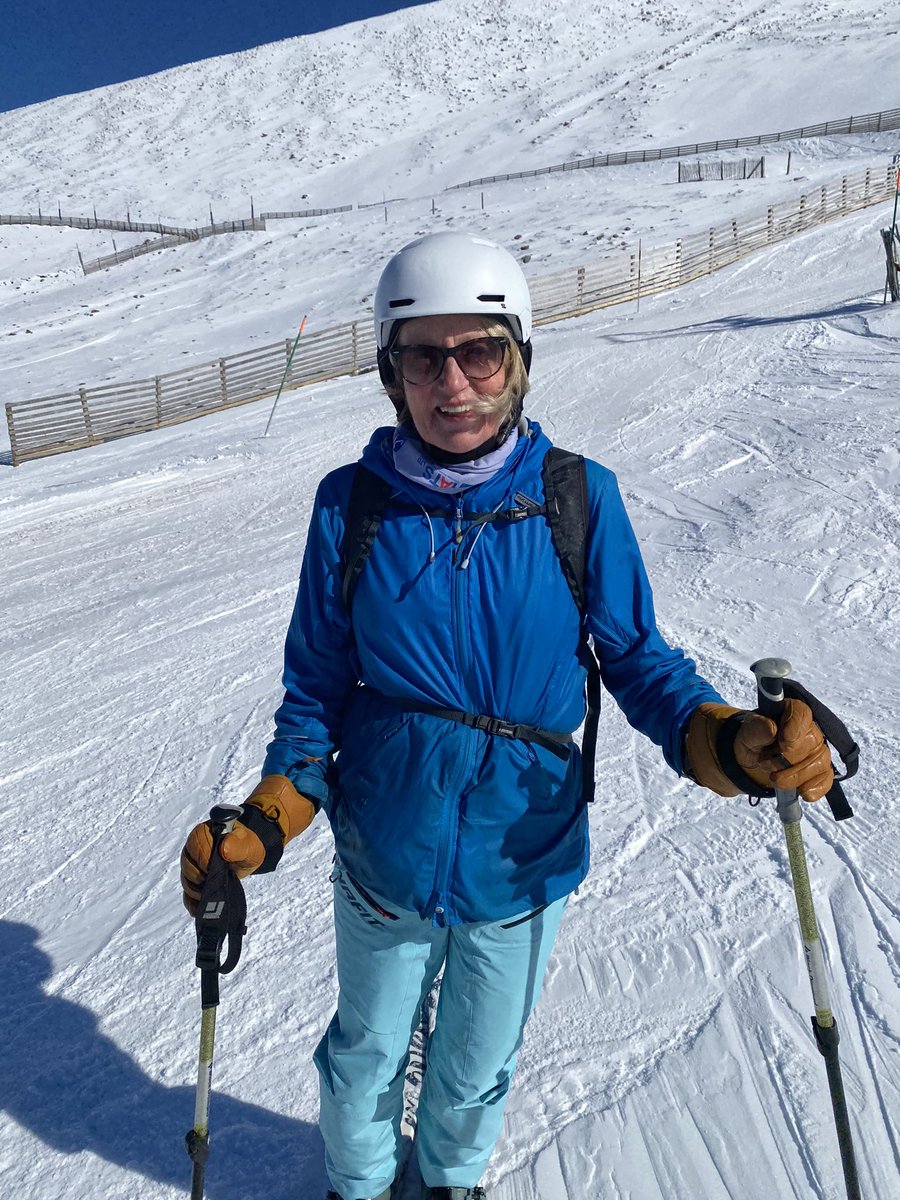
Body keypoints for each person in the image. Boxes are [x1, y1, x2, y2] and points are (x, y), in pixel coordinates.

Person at [180, 231, 834, 1200]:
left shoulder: (578, 499)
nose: (452, 382)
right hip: (385, 859)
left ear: (518, 359)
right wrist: (266, 820)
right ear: (390, 373)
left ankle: (449, 1185)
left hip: (523, 861)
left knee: (472, 1073)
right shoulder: (349, 510)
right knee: (364, 1057)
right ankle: (357, 1188)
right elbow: (315, 695)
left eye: (478, 350)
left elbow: (643, 665)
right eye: (422, 356)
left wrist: (730, 742)